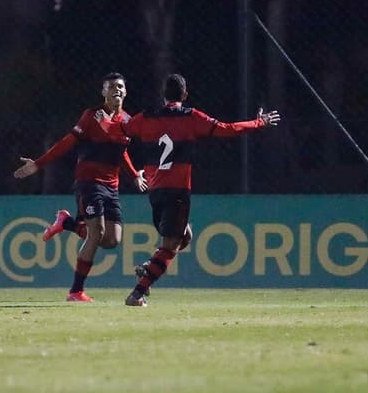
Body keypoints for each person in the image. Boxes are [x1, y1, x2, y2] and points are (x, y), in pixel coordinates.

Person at [96, 73, 280, 306]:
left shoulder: (146, 118)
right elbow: (228, 129)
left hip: (155, 192)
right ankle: (138, 293)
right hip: (177, 191)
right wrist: (259, 122)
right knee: (171, 246)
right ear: (185, 94)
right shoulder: (191, 117)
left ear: (163, 96)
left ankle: (148, 268)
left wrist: (102, 119)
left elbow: (119, 130)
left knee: (185, 236)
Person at [13, 72, 148, 302]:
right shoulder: (91, 116)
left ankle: (66, 223)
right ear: (103, 92)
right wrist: (39, 164)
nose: (118, 90)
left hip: (111, 188)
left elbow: (122, 151)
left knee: (112, 240)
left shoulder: (127, 121)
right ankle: (76, 291)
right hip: (89, 183)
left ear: (126, 92)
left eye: (121, 87)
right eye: (112, 86)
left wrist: (135, 175)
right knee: (97, 233)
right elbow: (67, 142)